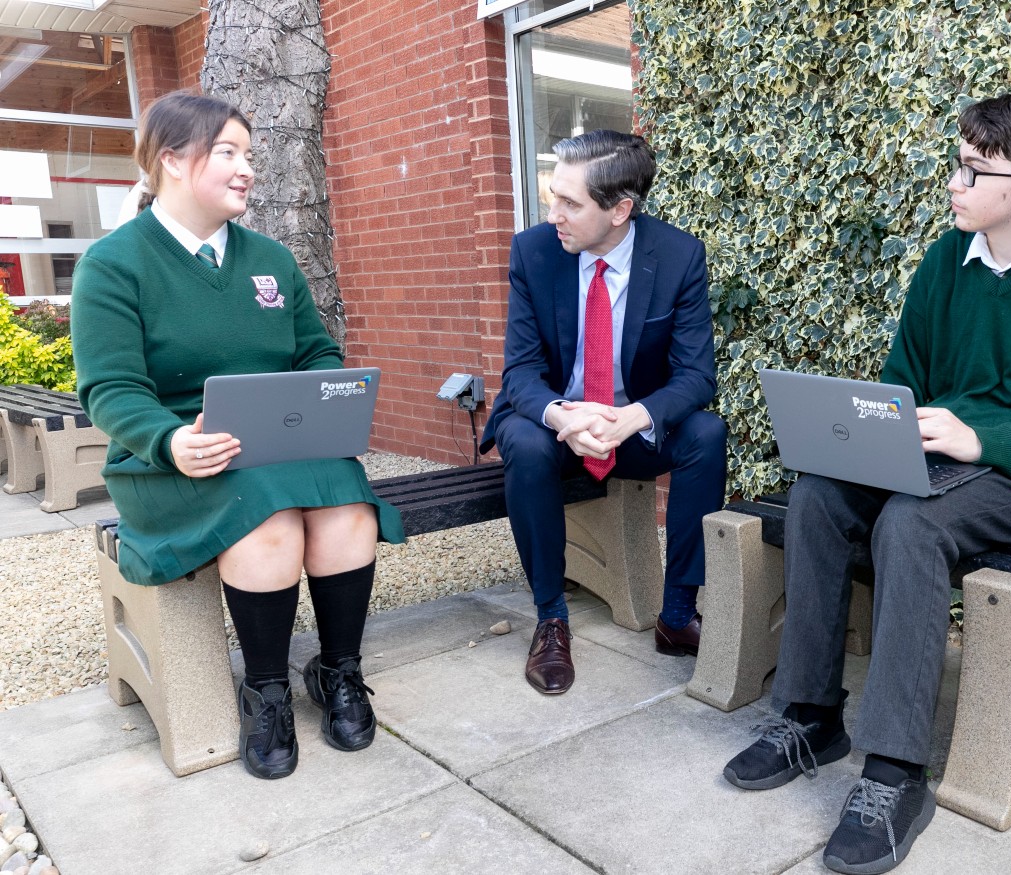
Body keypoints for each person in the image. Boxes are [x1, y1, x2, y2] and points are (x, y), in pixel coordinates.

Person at [722, 90, 1011, 874]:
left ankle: (894, 771)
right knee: (817, 492)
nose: (954, 181)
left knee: (909, 524)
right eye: (959, 162)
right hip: (931, 457)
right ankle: (812, 715)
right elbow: (902, 380)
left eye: (972, 169)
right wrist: (875, 432)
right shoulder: (949, 260)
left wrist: (980, 434)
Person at [71, 91, 406, 780]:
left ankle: (339, 672)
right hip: (169, 460)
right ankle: (267, 689)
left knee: (348, 507)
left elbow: (315, 351)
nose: (246, 168)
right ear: (170, 159)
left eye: (248, 154)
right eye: (227, 152)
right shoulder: (112, 265)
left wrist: (324, 398)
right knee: (271, 520)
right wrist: (170, 439)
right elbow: (109, 390)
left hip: (277, 444)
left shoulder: (271, 260)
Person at [480, 129, 727, 695]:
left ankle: (677, 613)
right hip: (558, 424)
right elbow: (518, 372)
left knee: (706, 435)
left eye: (570, 203)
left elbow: (696, 377)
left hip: (629, 427)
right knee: (524, 439)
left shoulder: (677, 256)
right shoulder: (534, 252)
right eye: (552, 196)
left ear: (620, 210)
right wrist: (564, 418)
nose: (554, 214)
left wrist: (634, 416)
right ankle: (550, 618)